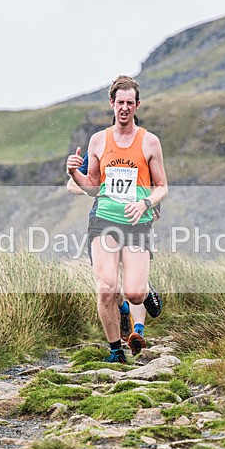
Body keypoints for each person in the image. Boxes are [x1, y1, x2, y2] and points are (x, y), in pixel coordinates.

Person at [66, 75, 167, 363]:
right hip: (104, 221)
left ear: (137, 105)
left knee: (134, 294)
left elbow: (163, 186)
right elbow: (93, 187)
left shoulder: (149, 142)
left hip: (137, 223)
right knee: (106, 287)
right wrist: (74, 172)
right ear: (112, 104)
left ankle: (145, 292)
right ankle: (115, 351)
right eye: (119, 102)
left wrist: (145, 203)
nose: (124, 108)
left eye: (129, 103)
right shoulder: (98, 140)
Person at [67, 151, 160, 352]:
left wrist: (152, 207)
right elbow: (72, 185)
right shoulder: (101, 149)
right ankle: (124, 310)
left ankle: (138, 332)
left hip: (136, 223)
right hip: (103, 222)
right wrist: (92, 189)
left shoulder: (143, 149)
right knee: (110, 284)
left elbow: (156, 185)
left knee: (133, 283)